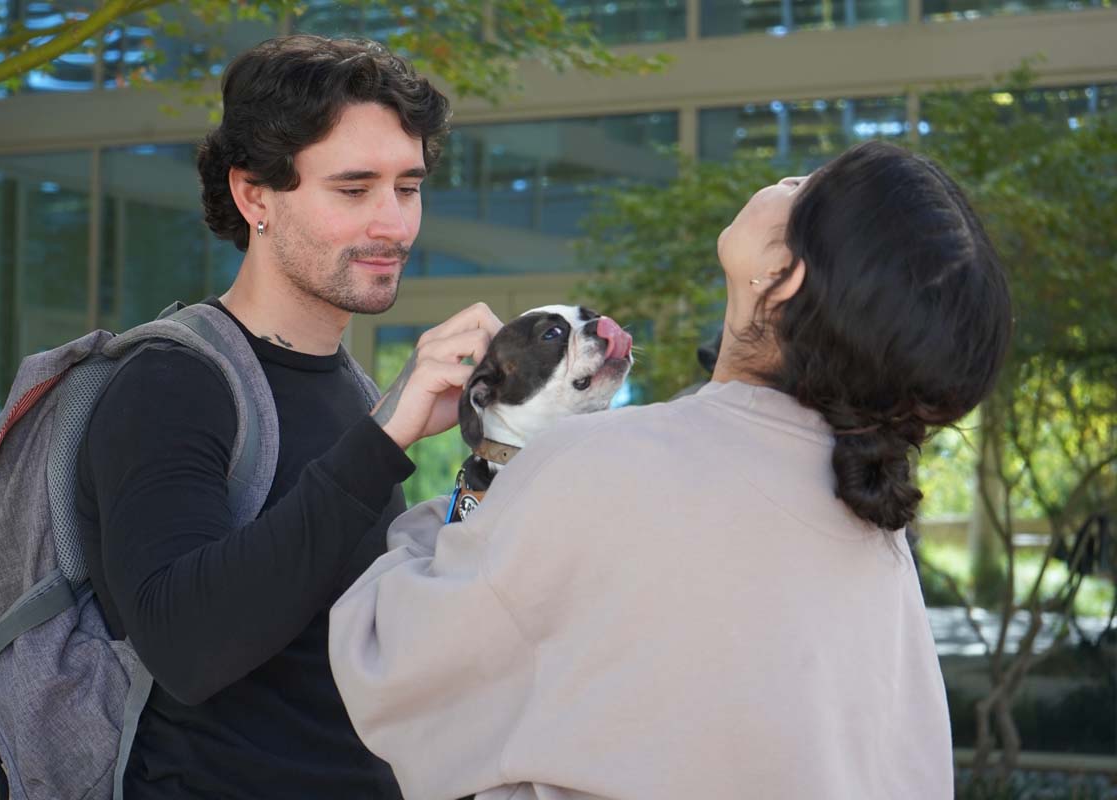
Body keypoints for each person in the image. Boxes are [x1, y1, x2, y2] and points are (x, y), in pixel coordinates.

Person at [329, 140, 1012, 799]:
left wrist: (464, 484)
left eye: (806, 188)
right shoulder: (879, 530)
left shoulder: (602, 466)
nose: (785, 181)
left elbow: (388, 663)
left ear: (782, 273)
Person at [76, 35, 500, 799]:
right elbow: (186, 646)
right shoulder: (171, 381)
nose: (393, 225)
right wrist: (383, 437)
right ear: (254, 196)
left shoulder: (351, 388)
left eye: (408, 188)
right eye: (353, 189)